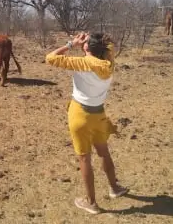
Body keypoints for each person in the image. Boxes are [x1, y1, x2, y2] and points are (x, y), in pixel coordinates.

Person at [45, 31, 129, 214]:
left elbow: (50, 57)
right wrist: (90, 43)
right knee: (104, 153)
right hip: (99, 115)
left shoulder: (81, 63)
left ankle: (91, 202)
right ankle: (114, 188)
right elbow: (109, 47)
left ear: (85, 47)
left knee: (85, 158)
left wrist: (71, 44)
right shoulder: (109, 63)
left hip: (80, 115)